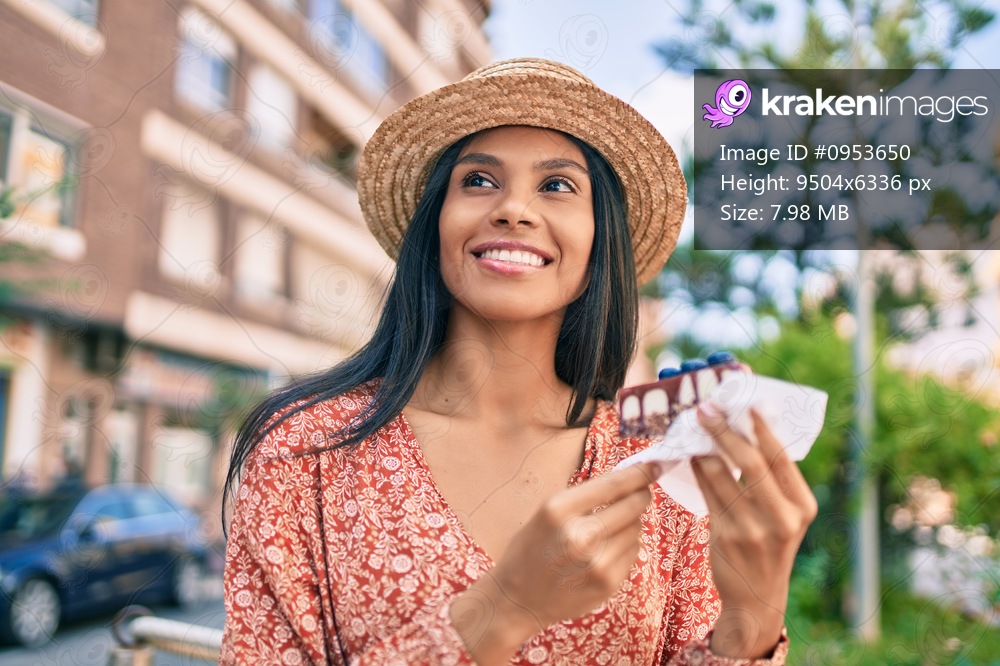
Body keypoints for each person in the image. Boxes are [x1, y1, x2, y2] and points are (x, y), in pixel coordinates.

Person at [220, 58, 817, 665]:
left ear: (597, 243)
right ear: (435, 225)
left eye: (557, 186)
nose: (514, 210)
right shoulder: (304, 452)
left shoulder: (659, 459)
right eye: (478, 180)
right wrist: (503, 609)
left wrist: (752, 618)